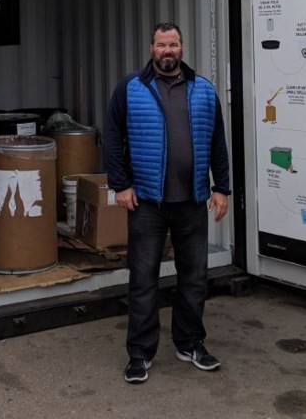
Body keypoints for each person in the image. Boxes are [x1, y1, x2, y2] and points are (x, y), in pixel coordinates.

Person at [103, 21, 231, 384]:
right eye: (161, 45)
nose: (168, 51)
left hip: (192, 200)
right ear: (151, 49)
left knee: (194, 278)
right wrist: (120, 184)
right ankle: (140, 354)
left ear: (182, 48)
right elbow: (112, 137)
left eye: (173, 44)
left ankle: (190, 343)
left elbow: (218, 143)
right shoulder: (130, 89)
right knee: (143, 280)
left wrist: (221, 187)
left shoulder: (204, 91)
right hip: (146, 202)